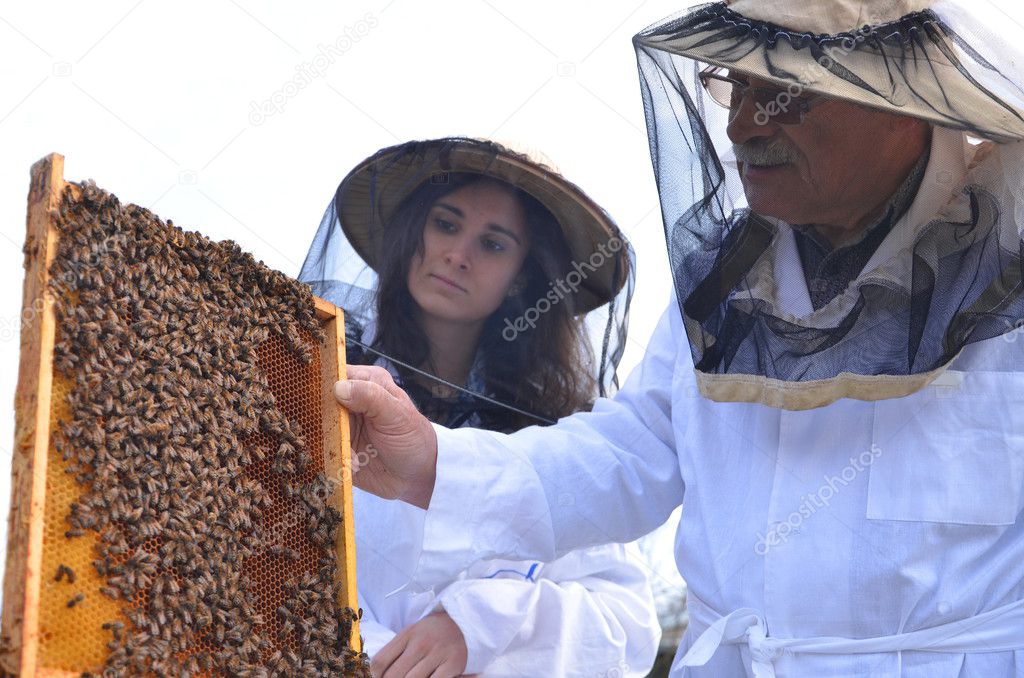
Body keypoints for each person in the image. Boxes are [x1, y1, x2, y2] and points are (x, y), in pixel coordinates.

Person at [333, 2, 1024, 676]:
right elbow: (629, 452)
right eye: (737, 84)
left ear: (898, 92)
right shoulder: (729, 283)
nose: (743, 125)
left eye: (785, 92)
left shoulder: (1010, 266)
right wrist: (433, 463)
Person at [299, 138, 660, 677]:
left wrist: (477, 626)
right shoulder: (321, 384)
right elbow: (272, 555)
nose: (458, 255)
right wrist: (373, 654)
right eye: (446, 224)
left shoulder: (555, 442)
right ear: (414, 232)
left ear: (520, 279)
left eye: (492, 244)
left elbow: (624, 624)